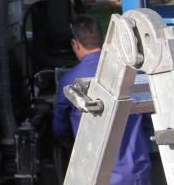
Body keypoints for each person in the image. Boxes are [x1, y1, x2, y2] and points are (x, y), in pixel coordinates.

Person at [53, 15, 151, 185]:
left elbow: (60, 128)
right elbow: (150, 119)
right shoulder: (134, 74)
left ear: (76, 44)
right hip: (138, 171)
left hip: (98, 175)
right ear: (104, 39)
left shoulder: (70, 81)